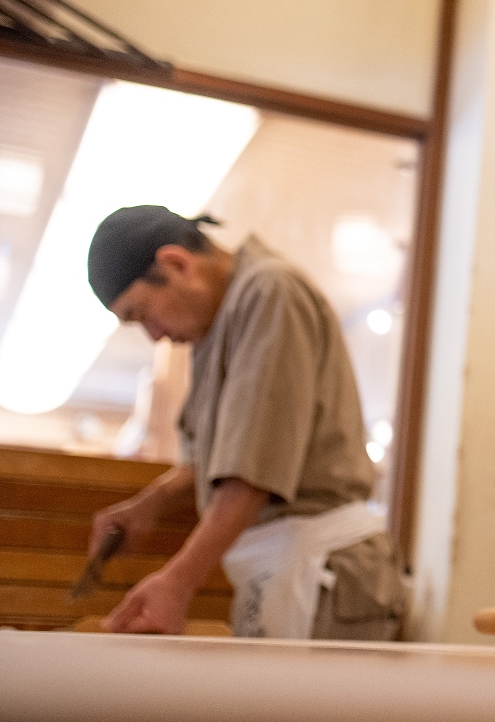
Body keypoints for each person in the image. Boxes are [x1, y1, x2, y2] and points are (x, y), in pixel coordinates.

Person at [86, 206, 406, 639]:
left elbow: (253, 471)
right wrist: (148, 505)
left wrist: (178, 581)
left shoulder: (270, 291)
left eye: (141, 313)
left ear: (176, 264)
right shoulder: (212, 322)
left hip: (326, 571)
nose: (154, 335)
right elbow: (213, 460)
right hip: (277, 564)